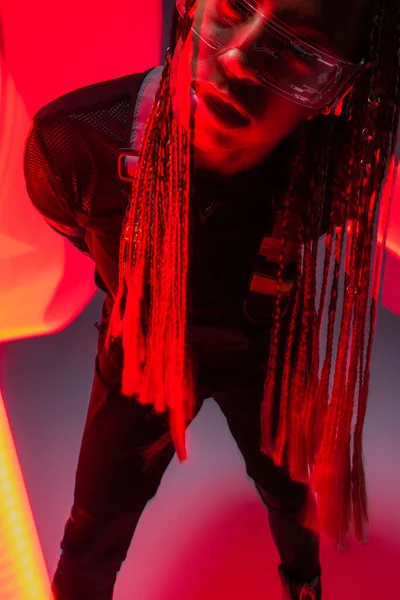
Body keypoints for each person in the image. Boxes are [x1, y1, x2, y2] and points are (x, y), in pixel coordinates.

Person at [23, 0, 400, 598]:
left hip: (266, 356)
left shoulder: (337, 166)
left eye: (298, 54)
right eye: (230, 9)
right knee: (94, 526)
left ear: (340, 86)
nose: (241, 59)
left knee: (291, 498)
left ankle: (303, 584)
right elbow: (67, 215)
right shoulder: (77, 143)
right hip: (142, 352)